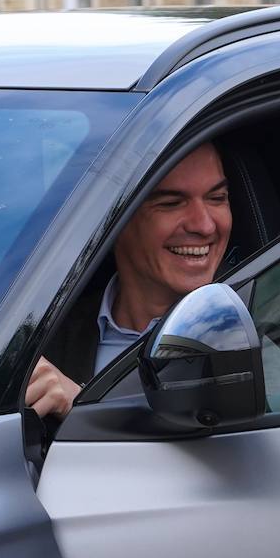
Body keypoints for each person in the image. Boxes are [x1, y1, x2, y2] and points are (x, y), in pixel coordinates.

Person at [26, 142, 233, 419]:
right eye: (171, 203)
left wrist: (81, 408)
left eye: (217, 198)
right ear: (112, 222)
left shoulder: (267, 314)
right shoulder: (43, 330)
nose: (204, 225)